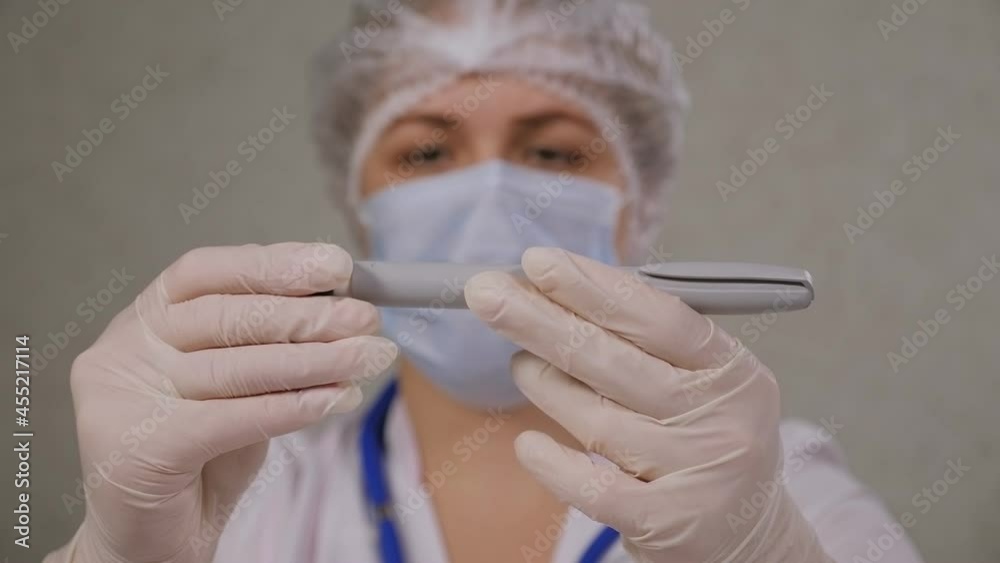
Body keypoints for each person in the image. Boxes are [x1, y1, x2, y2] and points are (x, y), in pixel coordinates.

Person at [46, 1, 925, 562]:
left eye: (552, 150)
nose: (493, 195)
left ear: (637, 205)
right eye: (427, 152)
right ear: (361, 209)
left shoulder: (764, 483)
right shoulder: (242, 495)